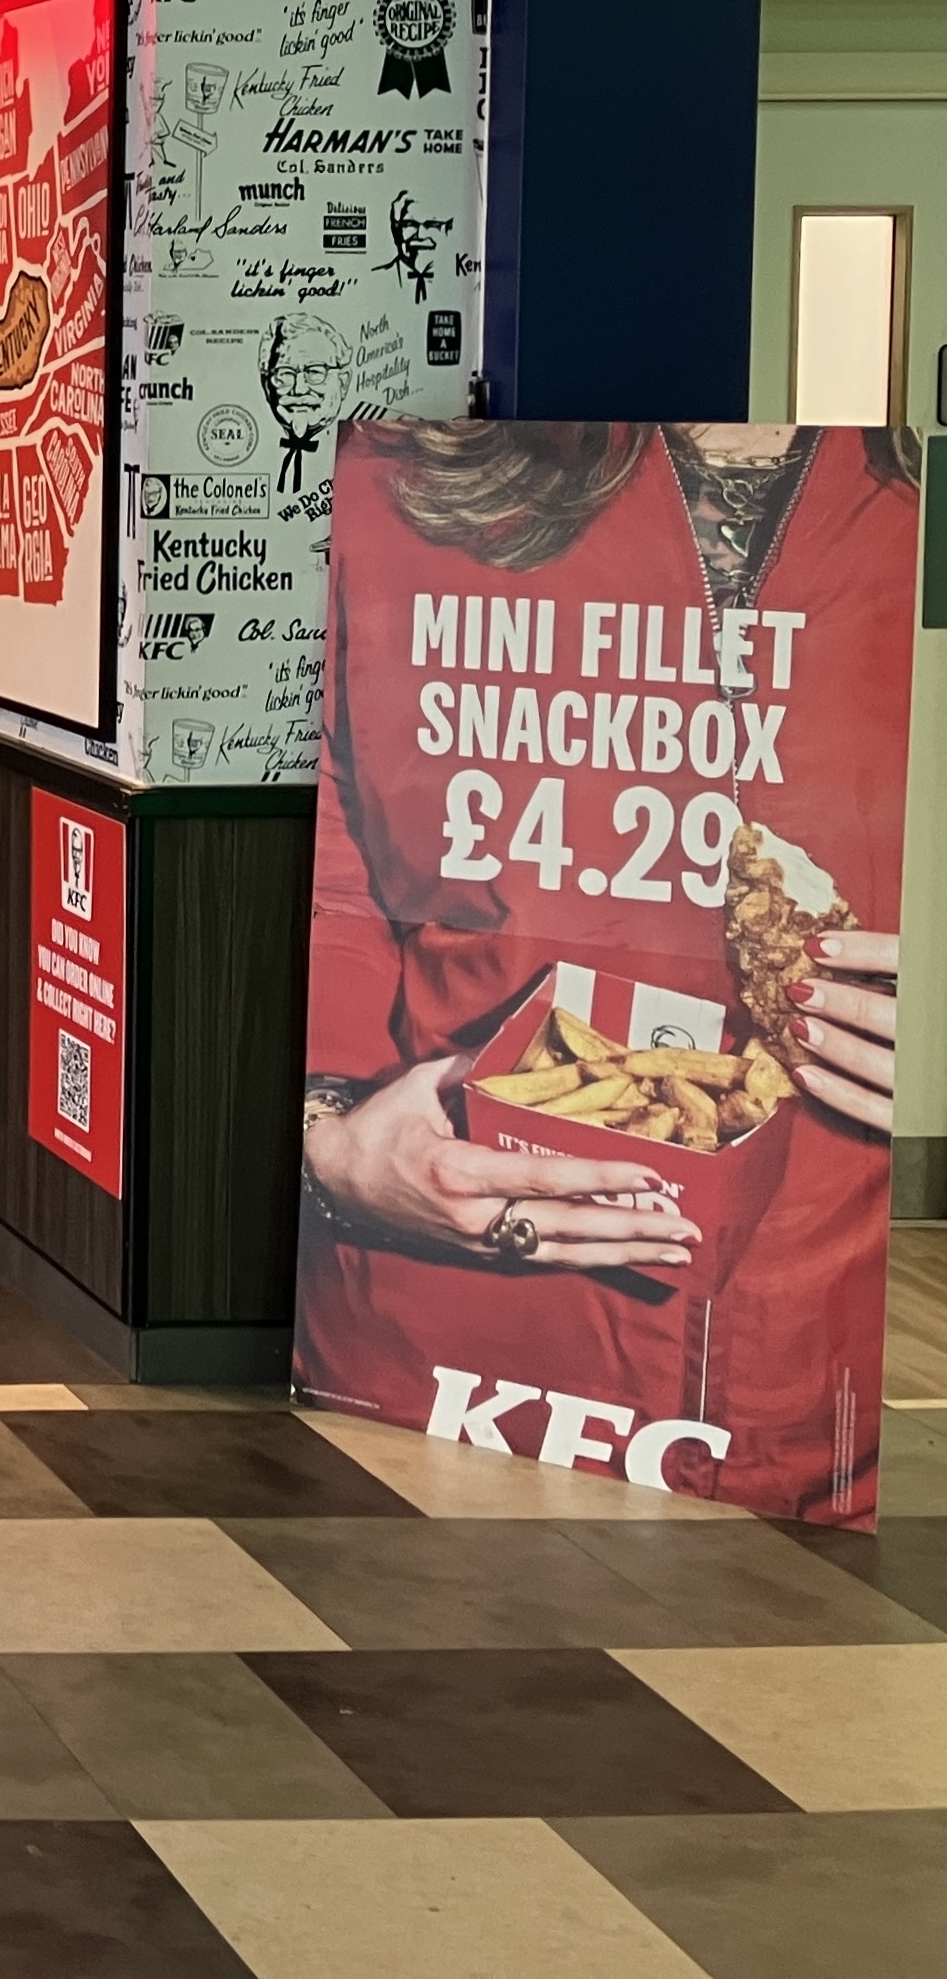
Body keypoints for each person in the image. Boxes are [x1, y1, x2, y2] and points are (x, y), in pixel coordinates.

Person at [296, 419, 908, 1523]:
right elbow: (334, 854)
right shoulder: (399, 472)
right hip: (437, 1368)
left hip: (821, 1410)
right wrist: (327, 1137)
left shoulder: (910, 504)